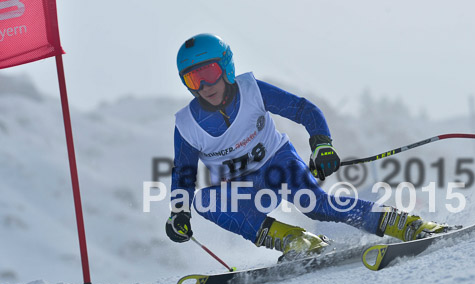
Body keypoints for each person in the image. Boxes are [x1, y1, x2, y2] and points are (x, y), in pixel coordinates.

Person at [165, 33, 448, 259]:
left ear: (226, 67)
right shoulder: (187, 124)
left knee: (314, 205)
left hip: (280, 165)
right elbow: (184, 174)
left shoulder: (252, 91)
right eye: (193, 78)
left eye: (209, 73)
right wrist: (179, 212)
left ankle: (405, 224)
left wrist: (322, 146)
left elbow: (304, 110)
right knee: (203, 201)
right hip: (245, 188)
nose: (204, 85)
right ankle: (295, 240)